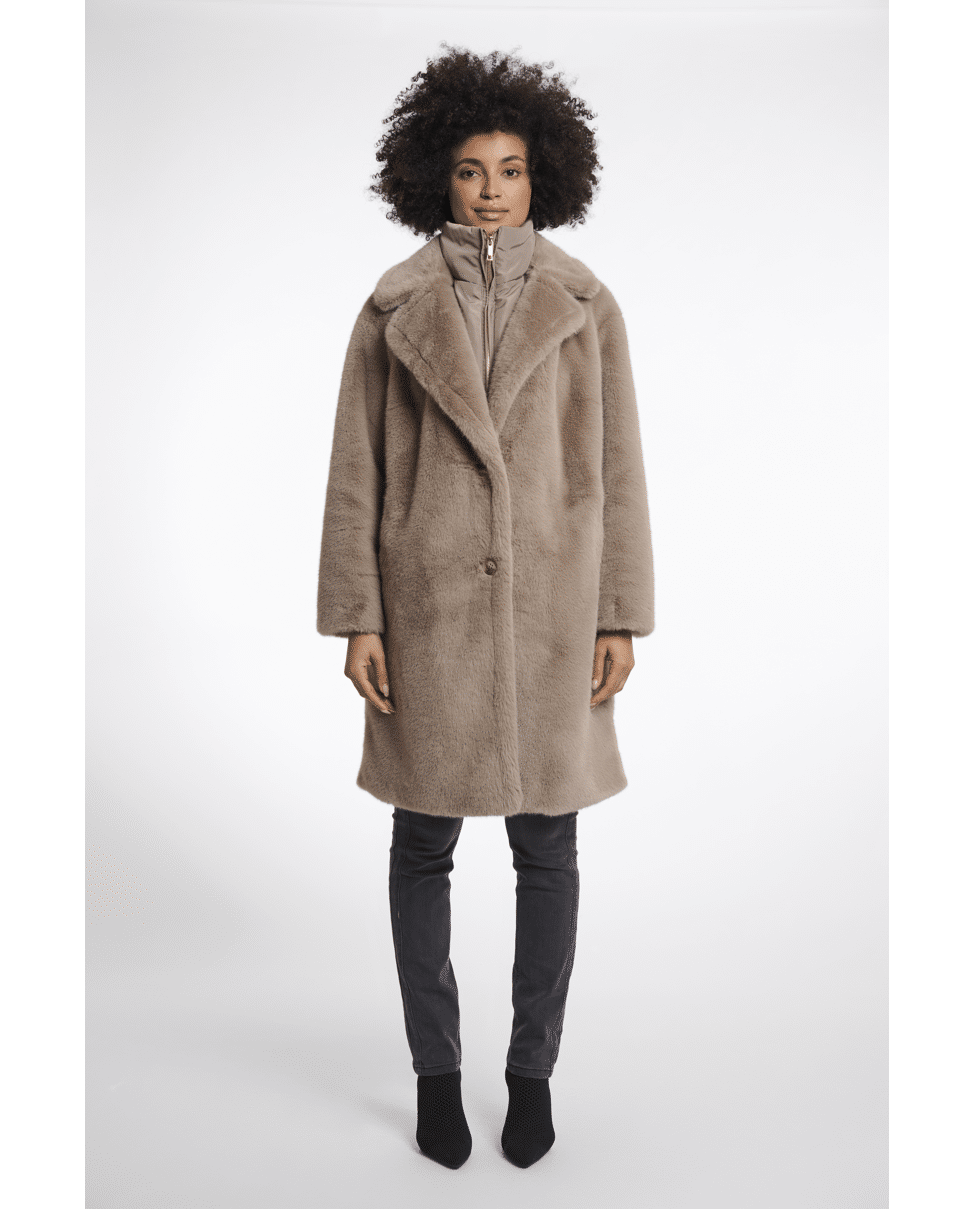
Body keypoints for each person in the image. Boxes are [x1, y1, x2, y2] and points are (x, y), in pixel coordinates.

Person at [316, 47, 654, 1169]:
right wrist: (360, 614)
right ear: (436, 177)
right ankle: (434, 1074)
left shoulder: (585, 305)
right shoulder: (392, 307)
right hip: (429, 613)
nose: (491, 189)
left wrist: (618, 612)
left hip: (555, 610)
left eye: (510, 168)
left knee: (547, 844)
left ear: (542, 174)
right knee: (422, 841)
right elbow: (355, 470)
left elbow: (619, 468)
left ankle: (530, 1073)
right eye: (470, 169)